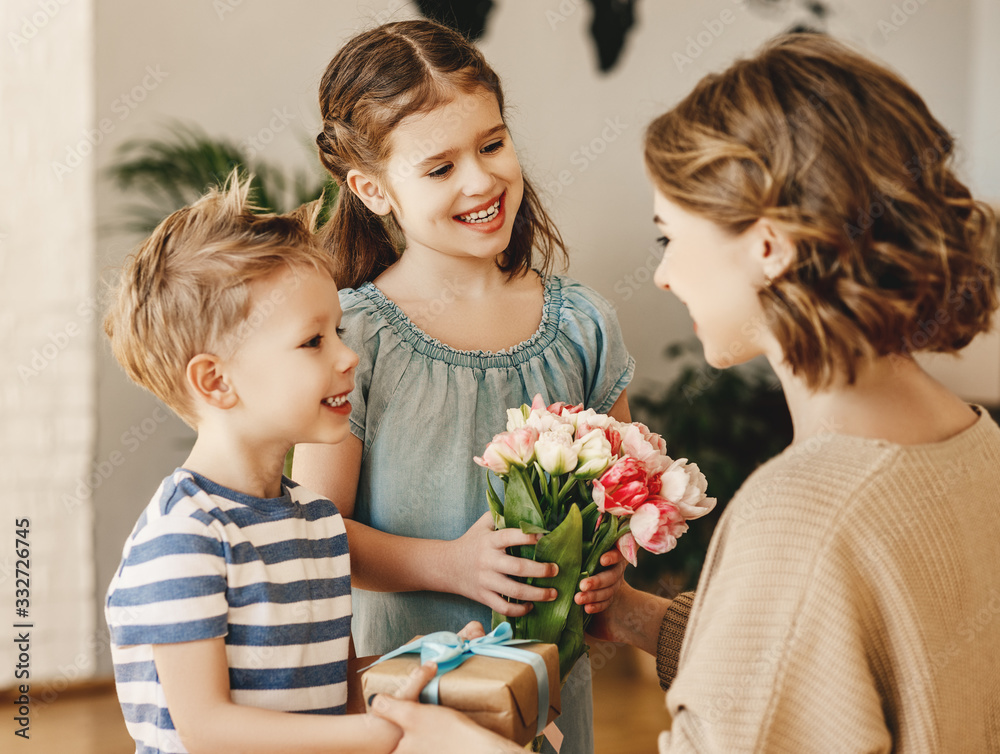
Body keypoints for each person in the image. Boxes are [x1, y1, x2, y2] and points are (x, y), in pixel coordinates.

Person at [366, 32, 1000, 754]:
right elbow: (831, 662)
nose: (664, 276)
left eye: (670, 236)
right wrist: (640, 619)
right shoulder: (979, 447)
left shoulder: (802, 514)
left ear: (768, 247)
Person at [291, 19, 633, 754]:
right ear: (371, 189)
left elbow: (622, 496)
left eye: (491, 144)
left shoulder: (583, 325)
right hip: (410, 706)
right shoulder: (352, 339)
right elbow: (316, 537)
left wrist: (608, 560)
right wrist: (448, 564)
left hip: (552, 697)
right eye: (439, 167)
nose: (481, 180)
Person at [103, 175, 481, 754]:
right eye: (313, 342)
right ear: (216, 381)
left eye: (340, 331)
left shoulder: (318, 522)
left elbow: (335, 690)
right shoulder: (185, 537)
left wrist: (438, 664)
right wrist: (370, 734)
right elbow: (206, 727)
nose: (347, 355)